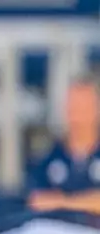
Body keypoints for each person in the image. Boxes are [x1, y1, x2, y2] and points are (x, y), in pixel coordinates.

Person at [26, 74, 100, 213]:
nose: (77, 115)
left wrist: (64, 202)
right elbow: (37, 201)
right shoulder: (48, 157)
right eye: (73, 107)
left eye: (84, 107)